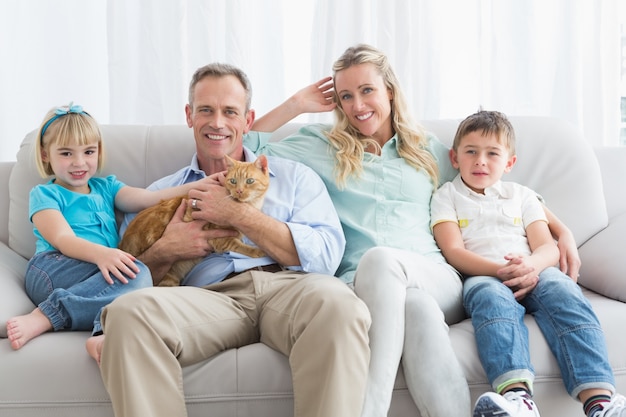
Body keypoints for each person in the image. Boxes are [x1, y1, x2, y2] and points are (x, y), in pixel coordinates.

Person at [246, 44, 583, 417]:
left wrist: (561, 228)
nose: (358, 106)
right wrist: (295, 104)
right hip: (358, 285)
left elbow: (491, 186)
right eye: (346, 96)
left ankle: (368, 410)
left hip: (435, 278)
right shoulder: (321, 146)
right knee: (415, 308)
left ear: (389, 89)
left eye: (367, 90)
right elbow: (245, 150)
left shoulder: (426, 150)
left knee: (393, 271)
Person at [85, 63, 371, 417]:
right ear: (189, 116)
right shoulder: (159, 194)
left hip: (291, 289)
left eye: (230, 112)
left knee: (341, 305)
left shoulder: (295, 177)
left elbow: (326, 257)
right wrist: (166, 250)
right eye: (206, 110)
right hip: (207, 298)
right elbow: (127, 276)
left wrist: (237, 214)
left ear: (248, 120)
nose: (217, 122)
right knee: (127, 314)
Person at [431, 110, 626, 417]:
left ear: (510, 163)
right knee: (491, 301)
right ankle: (516, 399)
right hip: (484, 276)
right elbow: (453, 250)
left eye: (492, 153)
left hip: (533, 270)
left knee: (564, 293)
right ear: (455, 158)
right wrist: (497, 270)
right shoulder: (446, 196)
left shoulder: (521, 196)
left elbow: (547, 246)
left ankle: (600, 400)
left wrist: (532, 266)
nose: (480, 160)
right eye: (471, 152)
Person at [6, 103, 217, 350]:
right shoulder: (46, 194)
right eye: (66, 153)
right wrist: (103, 254)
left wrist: (195, 187)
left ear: (98, 152)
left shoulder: (106, 187)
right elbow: (62, 239)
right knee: (137, 273)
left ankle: (102, 334)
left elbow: (147, 199)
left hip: (97, 277)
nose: (79, 163)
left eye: (88, 152)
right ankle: (45, 316)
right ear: (45, 155)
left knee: (137, 284)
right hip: (52, 269)